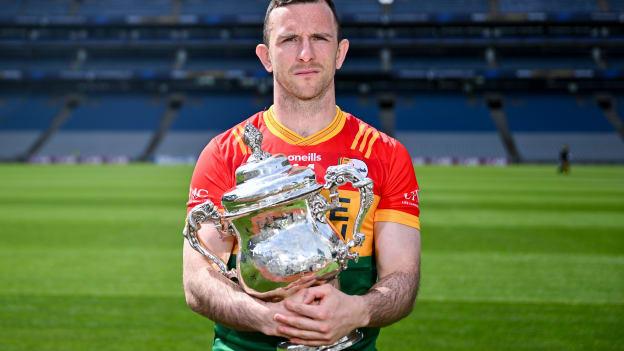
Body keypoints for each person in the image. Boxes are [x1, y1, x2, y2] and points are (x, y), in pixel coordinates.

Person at [183, 1, 421, 350]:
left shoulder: (385, 154)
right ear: (266, 56)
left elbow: (403, 276)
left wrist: (356, 311)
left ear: (341, 52)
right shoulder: (224, 153)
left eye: (320, 38)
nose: (306, 54)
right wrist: (273, 319)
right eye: (289, 39)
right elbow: (198, 281)